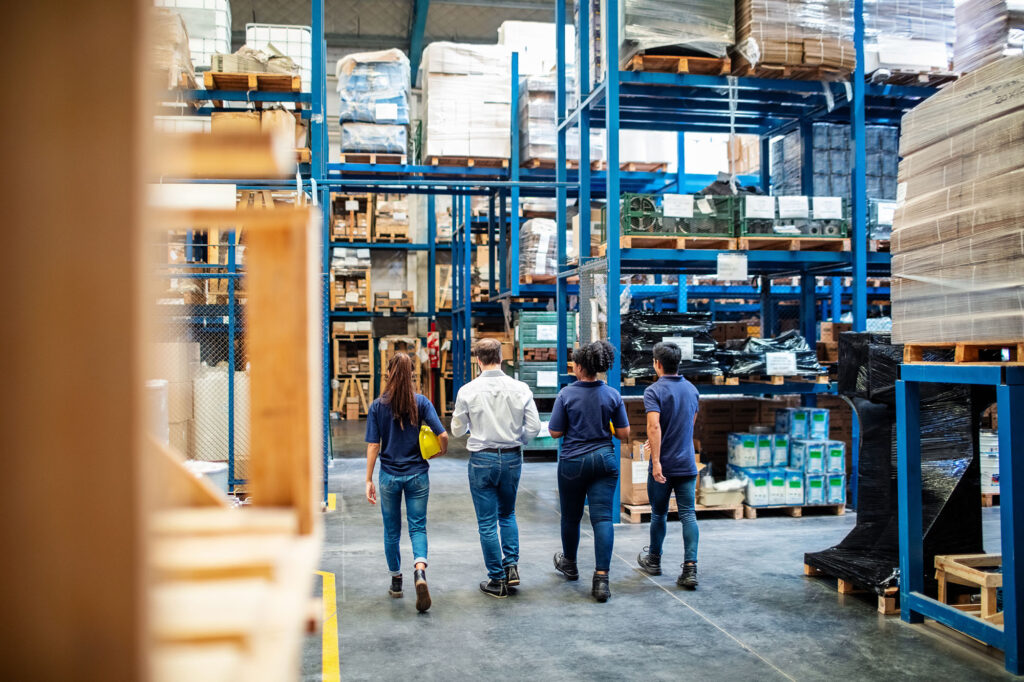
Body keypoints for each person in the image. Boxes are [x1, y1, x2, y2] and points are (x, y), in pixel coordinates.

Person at [451, 338, 541, 599]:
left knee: (487, 523)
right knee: (508, 514)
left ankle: (497, 580)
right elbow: (534, 427)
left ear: (477, 360)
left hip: (482, 460)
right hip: (512, 457)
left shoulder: (467, 391)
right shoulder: (521, 388)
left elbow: (456, 430)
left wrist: (473, 426)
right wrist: (519, 439)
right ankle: (511, 567)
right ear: (501, 357)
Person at [365, 353, 449, 613]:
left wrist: (368, 478)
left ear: (388, 373)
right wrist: (439, 452)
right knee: (417, 527)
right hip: (417, 476)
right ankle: (420, 572)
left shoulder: (378, 406)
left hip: (389, 475)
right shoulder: (421, 402)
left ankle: (396, 581)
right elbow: (442, 434)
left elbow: (373, 445)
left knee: (391, 531)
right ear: (412, 373)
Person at [547, 340, 630, 603]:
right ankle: (602, 579)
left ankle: (569, 565)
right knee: (602, 519)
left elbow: (555, 432)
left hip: (573, 462)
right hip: (605, 461)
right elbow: (625, 434)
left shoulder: (566, 394)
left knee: (570, 517)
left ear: (580, 367)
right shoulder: (613, 395)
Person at [635, 342, 701, 589]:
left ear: (657, 363)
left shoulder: (654, 391)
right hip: (686, 463)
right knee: (688, 515)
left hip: (664, 465)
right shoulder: (692, 390)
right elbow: (689, 424)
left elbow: (654, 427)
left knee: (659, 513)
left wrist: (656, 461)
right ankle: (690, 569)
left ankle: (654, 560)